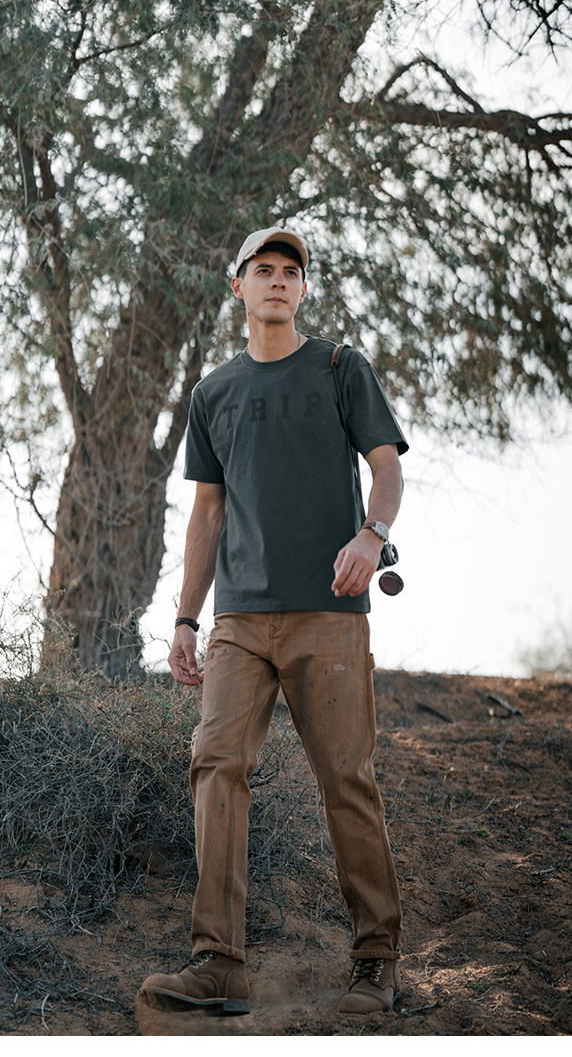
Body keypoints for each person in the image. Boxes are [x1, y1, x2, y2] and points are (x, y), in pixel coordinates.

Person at [136, 227, 408, 1018]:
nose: (279, 280)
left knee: (346, 778)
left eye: (291, 271)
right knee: (216, 763)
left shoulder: (340, 367)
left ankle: (377, 957)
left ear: (303, 288)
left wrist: (371, 536)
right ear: (239, 287)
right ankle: (219, 963)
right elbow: (207, 512)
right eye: (264, 269)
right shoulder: (213, 392)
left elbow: (387, 467)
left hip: (330, 614)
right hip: (240, 622)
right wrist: (185, 619)